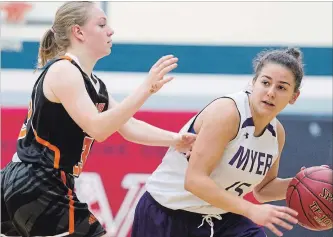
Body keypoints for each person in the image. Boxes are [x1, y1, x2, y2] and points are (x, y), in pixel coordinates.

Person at [0, 2, 196, 237]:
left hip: (30, 180)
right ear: (78, 32)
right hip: (39, 180)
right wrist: (146, 89)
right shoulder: (64, 70)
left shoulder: (92, 83)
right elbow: (98, 128)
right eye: (102, 25)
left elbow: (129, 126)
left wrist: (176, 140)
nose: (110, 31)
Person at [133, 47, 306, 237]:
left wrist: (304, 185)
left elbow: (264, 190)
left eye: (281, 87)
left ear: (294, 97)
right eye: (265, 82)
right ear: (253, 82)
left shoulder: (276, 133)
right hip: (167, 213)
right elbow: (194, 181)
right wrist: (251, 210)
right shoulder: (228, 113)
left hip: (218, 217)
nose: (271, 92)